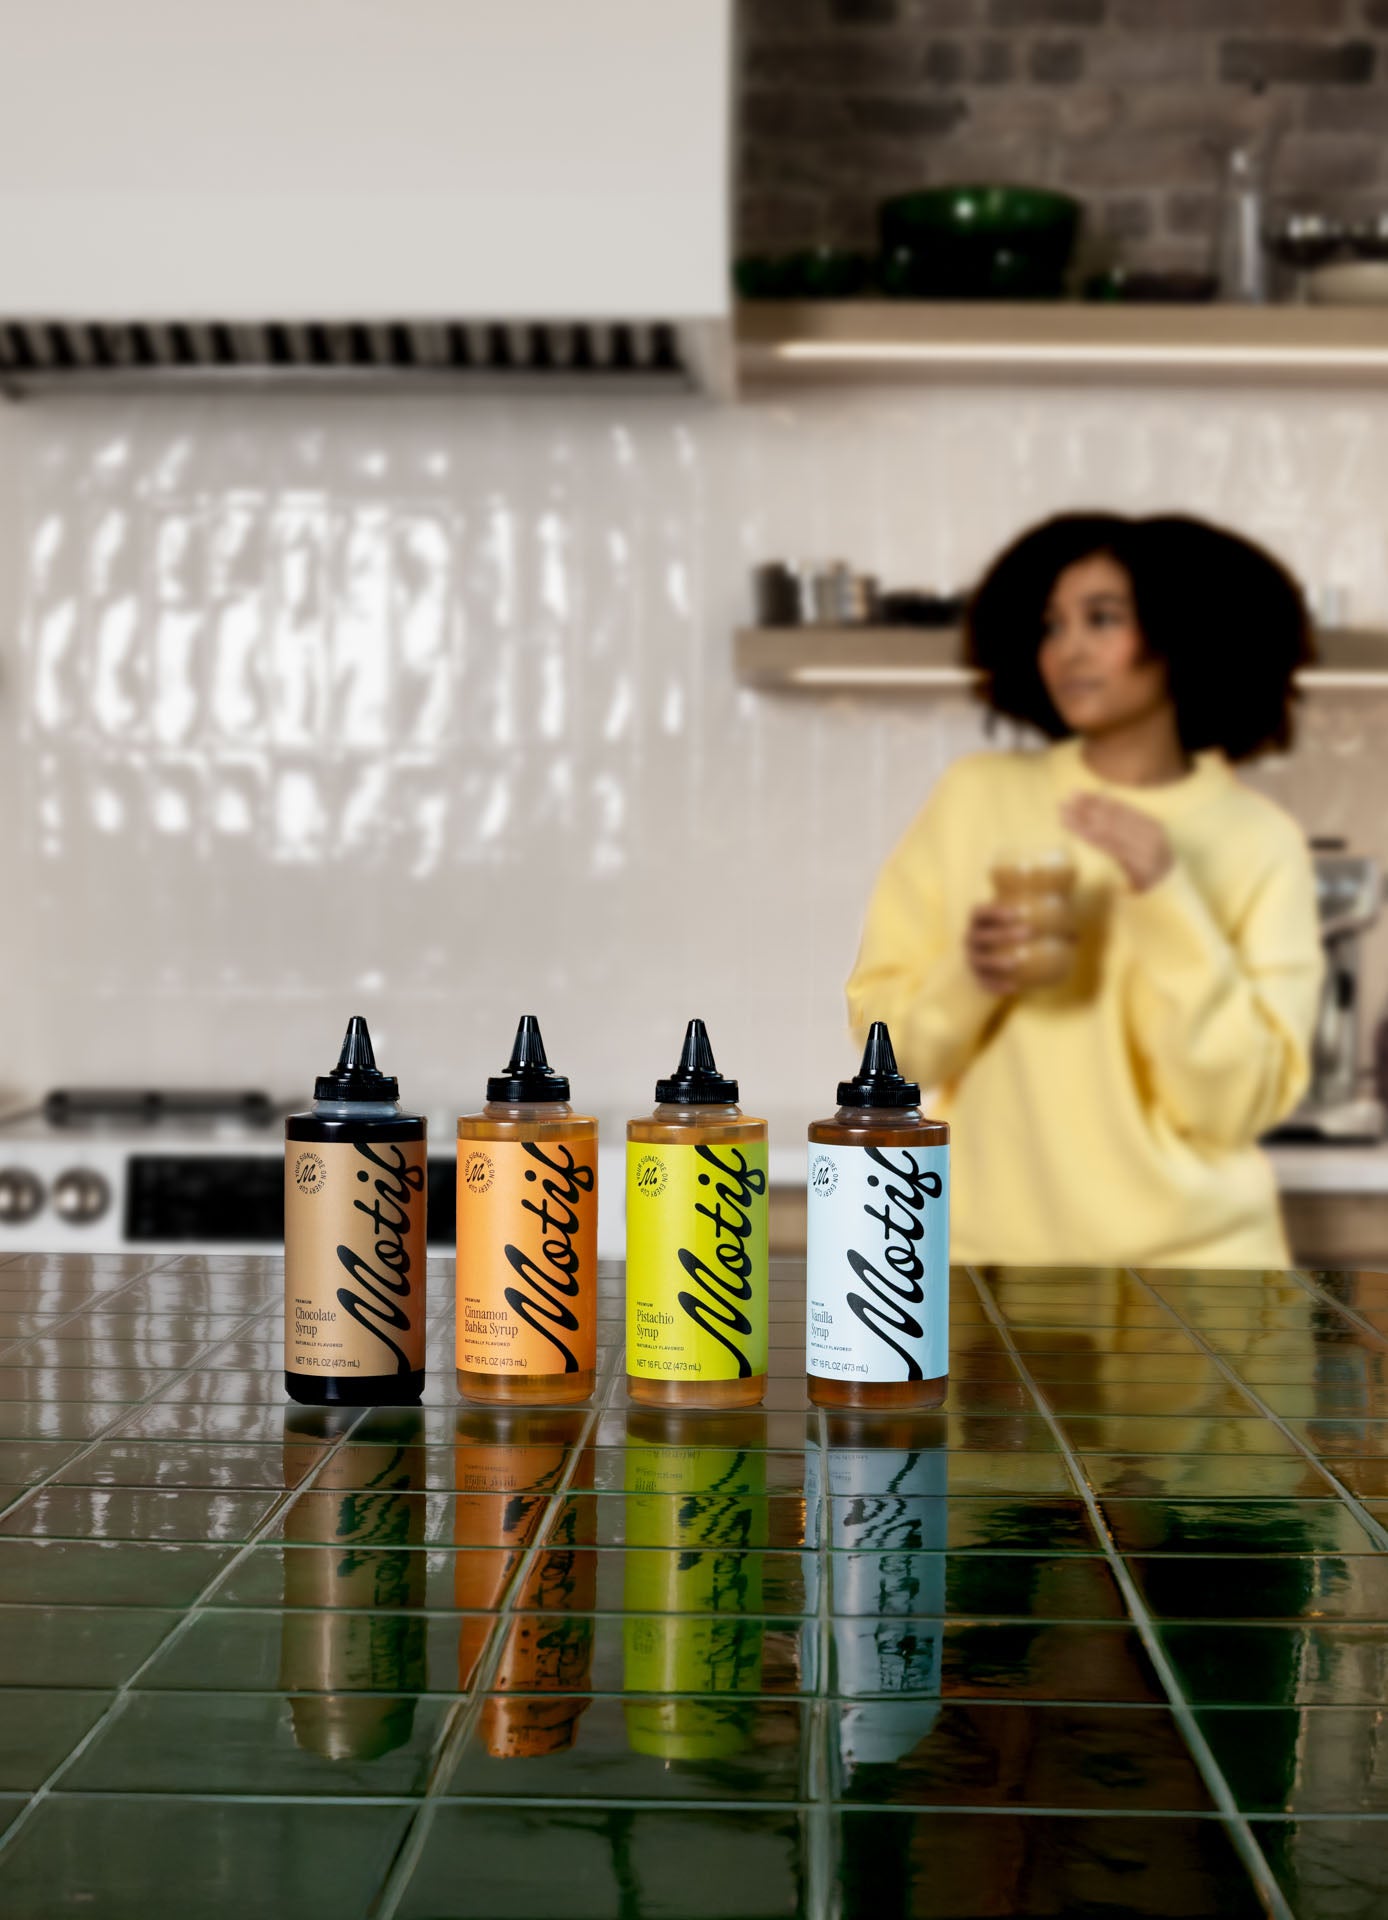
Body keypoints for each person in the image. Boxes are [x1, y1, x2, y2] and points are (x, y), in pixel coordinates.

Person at [846, 511, 1324, 1268]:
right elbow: (891, 1057)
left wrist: (1167, 895)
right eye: (1051, 625)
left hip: (1198, 1282)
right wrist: (973, 975)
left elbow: (1233, 1107)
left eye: (1102, 619)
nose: (1067, 650)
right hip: (985, 1270)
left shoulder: (1257, 840)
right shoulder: (976, 797)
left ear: (1183, 632)